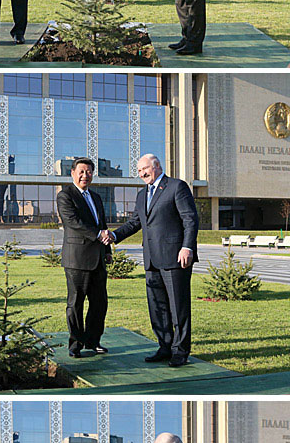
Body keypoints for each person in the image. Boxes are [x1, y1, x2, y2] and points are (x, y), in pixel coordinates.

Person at [107, 154, 199, 367]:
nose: (142, 174)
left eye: (145, 169)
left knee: (178, 307)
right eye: (139, 171)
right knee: (157, 307)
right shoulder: (142, 195)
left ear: (157, 166)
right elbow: (134, 223)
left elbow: (190, 219)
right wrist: (114, 236)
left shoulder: (177, 187)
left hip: (176, 258)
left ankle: (180, 351)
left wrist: (187, 247)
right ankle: (164, 347)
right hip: (151, 260)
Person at [57, 156, 111, 358]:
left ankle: (93, 340)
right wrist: (98, 235)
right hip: (76, 259)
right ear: (72, 173)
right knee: (76, 303)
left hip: (98, 258)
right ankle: (76, 344)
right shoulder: (65, 195)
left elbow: (102, 223)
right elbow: (73, 221)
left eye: (88, 172)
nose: (84, 175)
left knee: (100, 303)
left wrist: (107, 251)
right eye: (81, 171)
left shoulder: (96, 197)